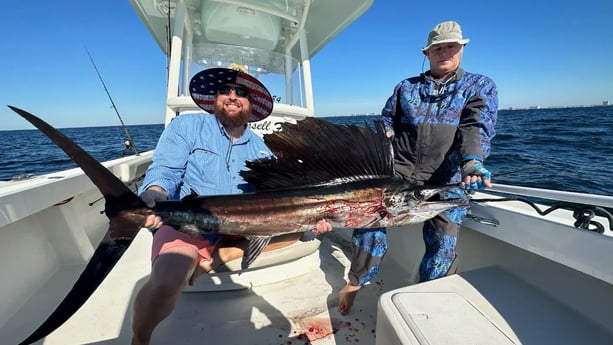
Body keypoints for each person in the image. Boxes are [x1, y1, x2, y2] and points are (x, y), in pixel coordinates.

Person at [130, 67, 331, 345]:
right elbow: (166, 169)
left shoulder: (262, 149)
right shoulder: (187, 126)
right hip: (192, 222)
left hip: (240, 225)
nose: (232, 96)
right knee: (166, 282)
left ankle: (211, 259)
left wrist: (316, 216)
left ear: (252, 103)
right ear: (215, 98)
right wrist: (155, 193)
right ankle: (140, 337)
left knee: (301, 231)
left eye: (241, 92)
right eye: (225, 90)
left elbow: (277, 201)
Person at [336, 20, 498, 315]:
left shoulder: (479, 85)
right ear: (428, 53)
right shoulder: (405, 87)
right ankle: (356, 282)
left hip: (447, 181)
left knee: (442, 244)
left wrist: (472, 162)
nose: (444, 52)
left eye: (451, 46)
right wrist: (384, 133)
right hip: (397, 177)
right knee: (368, 226)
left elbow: (475, 128)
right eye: (438, 47)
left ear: (461, 49)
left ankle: (425, 298)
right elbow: (388, 119)